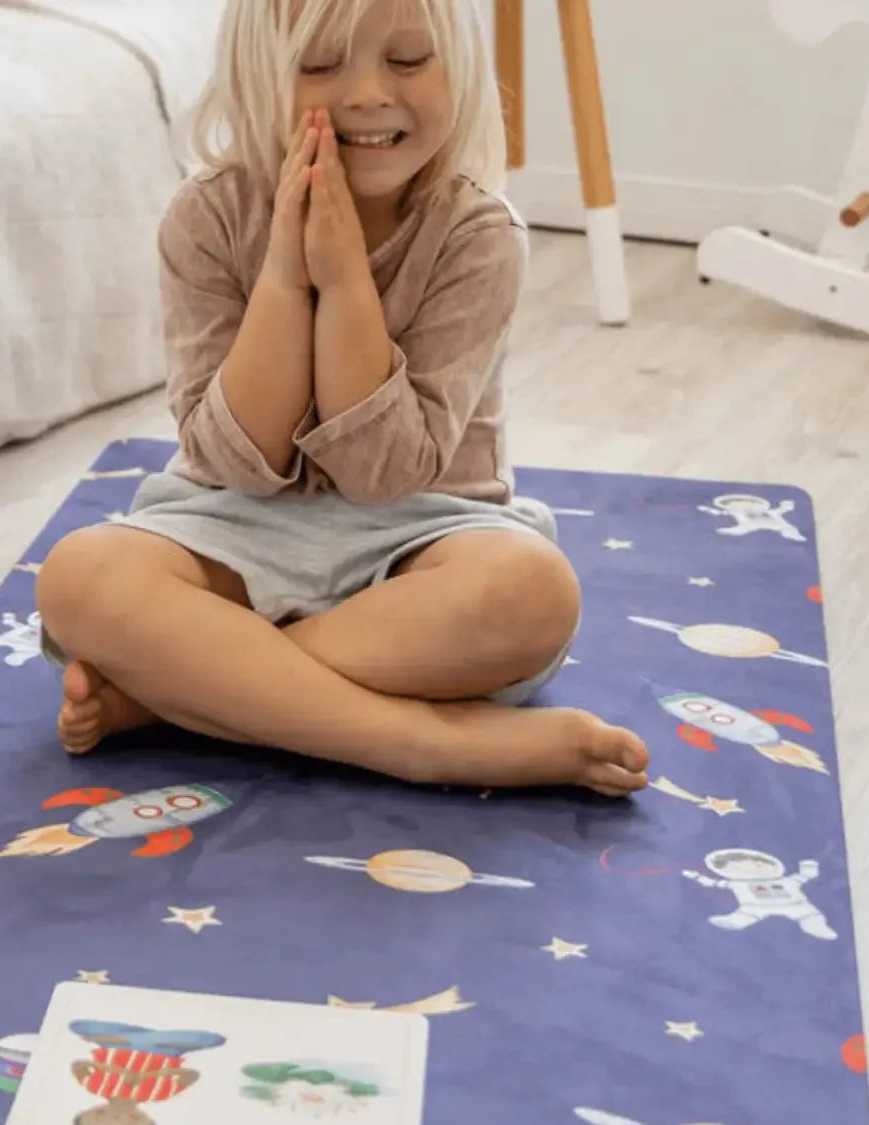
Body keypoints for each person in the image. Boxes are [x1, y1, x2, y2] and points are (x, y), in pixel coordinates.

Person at [35, 0, 649, 796]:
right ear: (257, 76)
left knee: (534, 592)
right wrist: (288, 276)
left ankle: (184, 693)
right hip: (232, 523)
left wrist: (345, 278)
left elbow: (383, 471)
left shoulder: (478, 233)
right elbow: (236, 463)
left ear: (456, 69)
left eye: (406, 61)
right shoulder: (206, 217)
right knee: (79, 577)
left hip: (427, 529)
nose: (366, 93)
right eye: (320, 65)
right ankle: (427, 743)